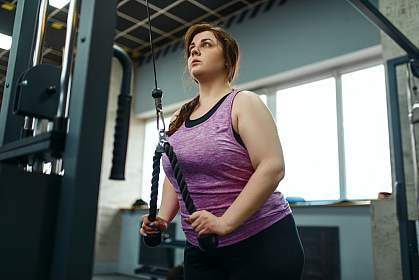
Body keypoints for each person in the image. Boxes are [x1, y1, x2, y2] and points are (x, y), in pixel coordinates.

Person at [140, 23, 304, 280]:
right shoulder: (180, 119)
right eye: (192, 49)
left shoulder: (242, 102)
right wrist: (162, 218)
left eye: (206, 45)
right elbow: (177, 176)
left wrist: (225, 222)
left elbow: (272, 167)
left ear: (228, 59)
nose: (195, 52)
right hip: (202, 247)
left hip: (260, 241)